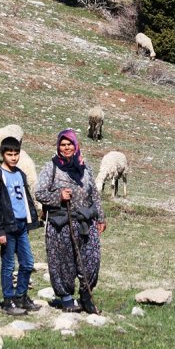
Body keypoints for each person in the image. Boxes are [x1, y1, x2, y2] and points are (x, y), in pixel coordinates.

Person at [35, 129, 106, 313]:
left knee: (91, 260)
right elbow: (40, 193)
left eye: (70, 144)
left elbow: (94, 194)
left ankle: (86, 296)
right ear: (58, 146)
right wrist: (59, 195)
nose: (66, 148)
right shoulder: (50, 167)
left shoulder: (85, 166)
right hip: (61, 224)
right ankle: (66, 299)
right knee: (63, 263)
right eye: (63, 144)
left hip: (85, 222)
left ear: (76, 146)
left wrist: (100, 216)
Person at [0, 136, 41, 315]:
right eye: (9, 154)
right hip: (7, 227)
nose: (13, 158)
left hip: (21, 225)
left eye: (16, 154)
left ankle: (21, 296)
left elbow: (25, 199)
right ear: (3, 154)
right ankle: (8, 299)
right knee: (9, 265)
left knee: (27, 263)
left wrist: (31, 219)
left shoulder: (20, 174)